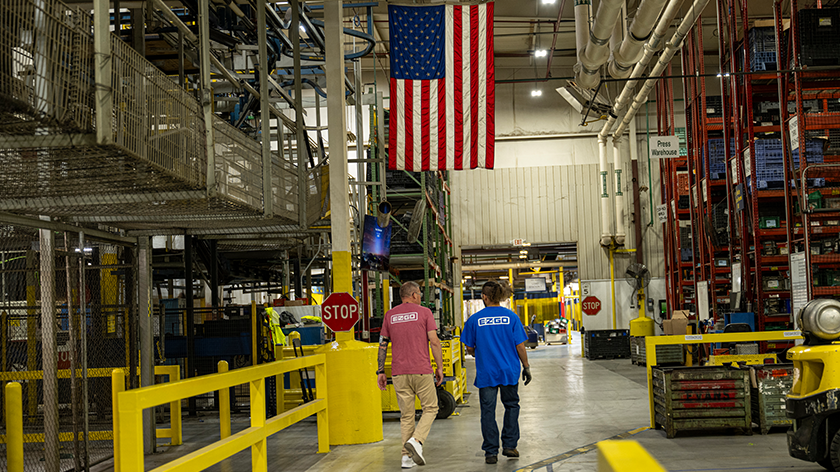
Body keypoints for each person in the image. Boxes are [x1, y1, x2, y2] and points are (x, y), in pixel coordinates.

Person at [461, 280, 532, 465]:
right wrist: (526, 366)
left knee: (488, 411)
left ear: (484, 297)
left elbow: (469, 348)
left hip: (487, 373)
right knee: (511, 406)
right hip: (509, 371)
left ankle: (491, 452)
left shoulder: (475, 319)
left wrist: (483, 352)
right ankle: (509, 445)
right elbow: (520, 346)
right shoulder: (512, 317)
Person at [377, 281, 445, 469]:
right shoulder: (424, 312)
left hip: (399, 372)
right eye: (420, 294)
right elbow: (434, 341)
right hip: (421, 369)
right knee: (431, 408)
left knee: (406, 416)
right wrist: (439, 367)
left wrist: (381, 370)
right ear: (414, 295)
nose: (421, 297)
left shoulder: (389, 315)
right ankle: (416, 441)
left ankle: (406, 458)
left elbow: (382, 344)